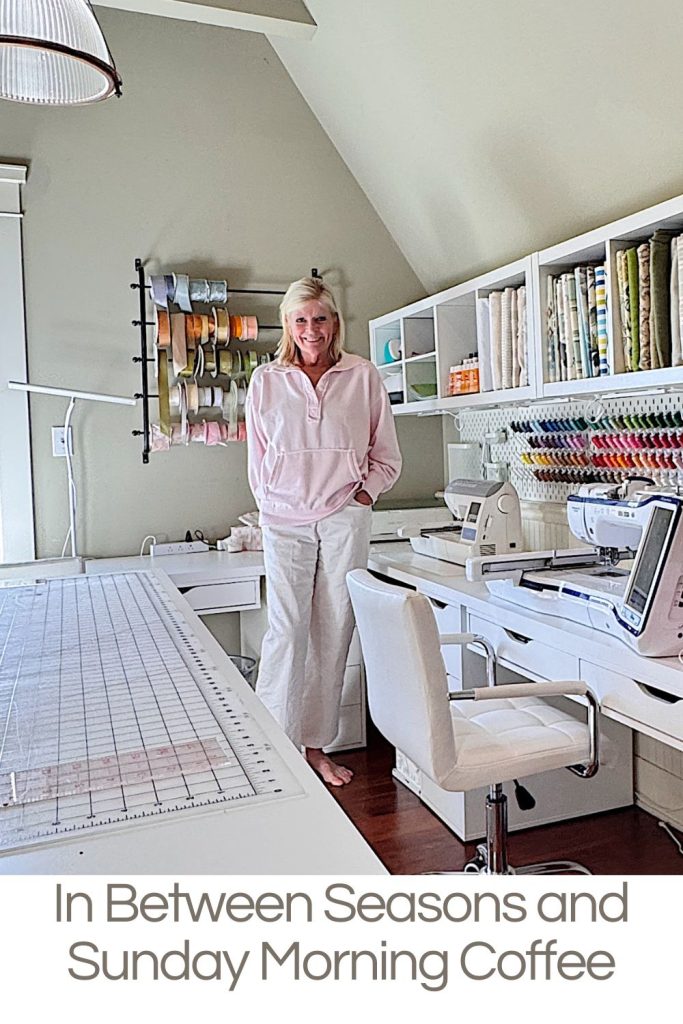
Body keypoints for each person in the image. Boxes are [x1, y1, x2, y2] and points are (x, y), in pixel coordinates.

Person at [245, 277, 402, 785]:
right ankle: (274, 751)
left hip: (342, 516)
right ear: (288, 326)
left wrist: (362, 496)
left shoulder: (363, 375)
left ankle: (314, 749)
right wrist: (271, 505)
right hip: (284, 520)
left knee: (334, 633)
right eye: (300, 319)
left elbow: (387, 454)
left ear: (334, 322)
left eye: (320, 318)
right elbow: (258, 459)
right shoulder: (266, 380)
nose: (311, 329)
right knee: (286, 632)